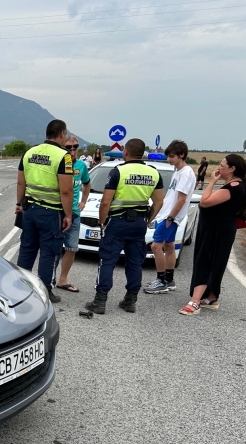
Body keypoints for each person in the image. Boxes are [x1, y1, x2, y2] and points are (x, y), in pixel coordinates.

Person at [85, 138, 165, 314]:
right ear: (142, 153)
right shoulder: (153, 172)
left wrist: (101, 222)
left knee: (107, 260)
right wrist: (148, 220)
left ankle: (100, 301)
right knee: (135, 263)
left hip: (118, 223)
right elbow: (159, 202)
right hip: (139, 224)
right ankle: (130, 301)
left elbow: (106, 202)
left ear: (126, 152)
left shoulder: (118, 171)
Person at [16, 119, 74, 303]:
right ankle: (44, 292)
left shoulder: (29, 152)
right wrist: (68, 215)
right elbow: (66, 190)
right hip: (50, 213)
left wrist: (19, 203)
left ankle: (18, 289)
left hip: (30, 210)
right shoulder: (63, 156)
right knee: (48, 252)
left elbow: (20, 182)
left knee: (27, 250)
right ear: (62, 134)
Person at [180, 154, 246, 314]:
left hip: (216, 230)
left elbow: (205, 202)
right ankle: (211, 297)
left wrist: (213, 182)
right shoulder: (238, 185)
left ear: (232, 168)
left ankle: (195, 301)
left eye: (222, 165)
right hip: (219, 229)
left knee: (206, 260)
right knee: (216, 261)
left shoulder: (234, 187)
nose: (218, 168)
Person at [143, 140, 195, 294]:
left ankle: (160, 281)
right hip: (166, 214)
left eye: (172, 156)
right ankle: (169, 280)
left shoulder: (186, 173)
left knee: (155, 246)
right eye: (168, 156)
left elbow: (181, 199)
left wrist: (170, 218)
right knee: (169, 246)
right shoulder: (177, 172)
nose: (169, 159)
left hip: (170, 217)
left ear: (182, 155)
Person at [55, 135, 91, 293]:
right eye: (68, 147)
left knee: (71, 248)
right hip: (58, 211)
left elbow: (87, 183)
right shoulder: (58, 162)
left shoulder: (82, 166)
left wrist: (83, 201)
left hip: (75, 213)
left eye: (75, 147)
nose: (72, 150)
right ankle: (48, 279)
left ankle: (63, 279)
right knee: (54, 247)